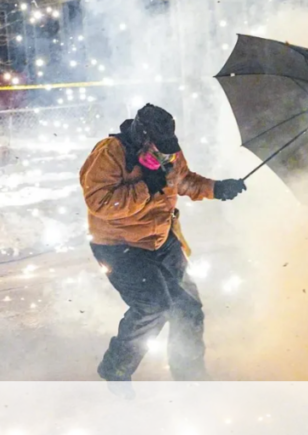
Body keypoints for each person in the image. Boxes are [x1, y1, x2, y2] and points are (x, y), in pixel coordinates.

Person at [79, 103, 247, 390]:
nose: (167, 156)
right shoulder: (109, 153)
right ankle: (115, 370)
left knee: (188, 308)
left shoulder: (168, 150)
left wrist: (217, 188)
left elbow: (183, 180)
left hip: (162, 238)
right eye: (160, 150)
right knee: (152, 306)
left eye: (170, 149)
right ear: (142, 138)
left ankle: (190, 376)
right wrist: (146, 186)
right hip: (119, 245)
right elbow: (100, 203)